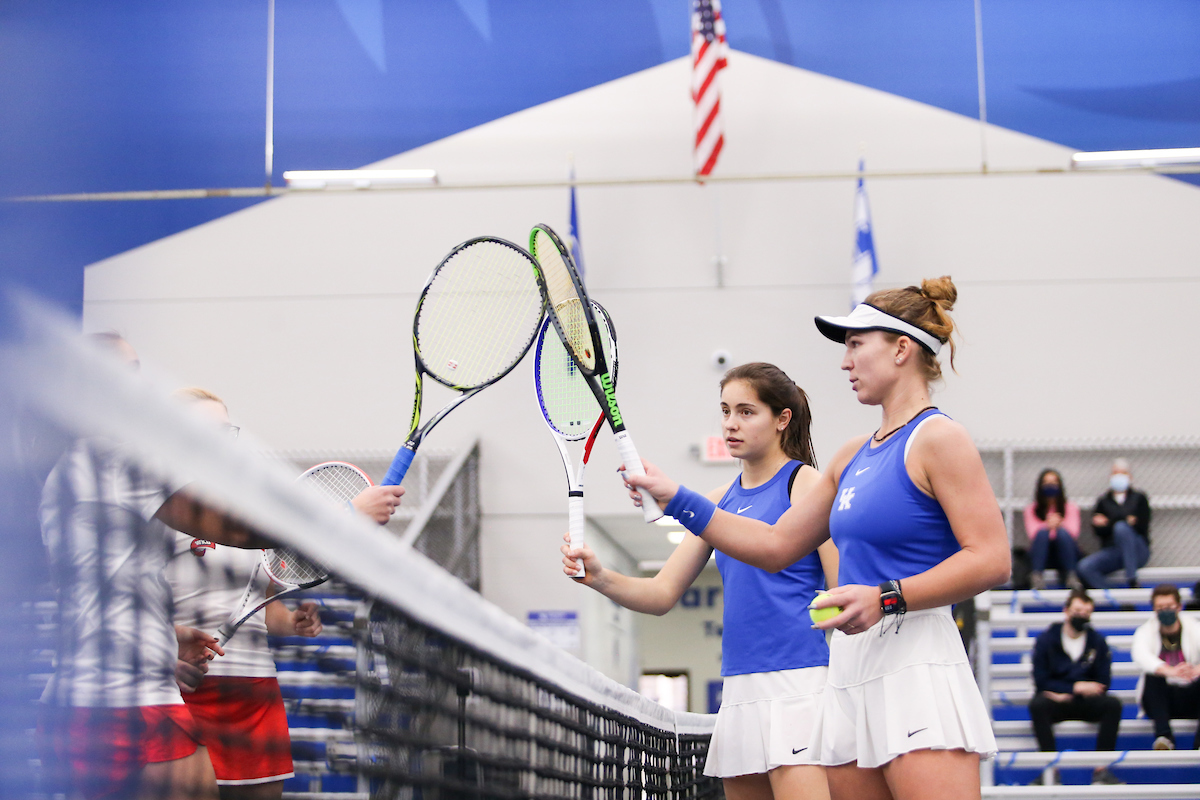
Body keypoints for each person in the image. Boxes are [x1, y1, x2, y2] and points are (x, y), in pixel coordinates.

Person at [623, 278, 1009, 800]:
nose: (845, 362)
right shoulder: (852, 455)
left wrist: (886, 597)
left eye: (855, 345)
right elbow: (776, 545)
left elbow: (991, 560)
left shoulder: (939, 438)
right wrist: (678, 498)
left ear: (901, 349)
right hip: (849, 672)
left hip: (916, 663)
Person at [563, 363, 837, 800]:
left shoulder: (806, 485)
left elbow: (844, 590)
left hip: (801, 685)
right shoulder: (719, 502)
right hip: (739, 691)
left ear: (782, 419)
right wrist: (600, 578)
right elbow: (660, 593)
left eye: (747, 412)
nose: (731, 423)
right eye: (726, 410)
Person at [36, 334, 274, 800]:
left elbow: (103, 583)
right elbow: (241, 530)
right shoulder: (117, 456)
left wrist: (171, 636)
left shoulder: (64, 470)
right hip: (130, 705)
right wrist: (345, 520)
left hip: (69, 705)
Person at [165, 388, 404, 800]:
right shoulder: (161, 508)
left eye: (228, 431)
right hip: (184, 692)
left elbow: (262, 597)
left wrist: (289, 619)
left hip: (255, 692)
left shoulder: (247, 508)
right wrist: (164, 654)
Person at [1027, 589, 1122, 785]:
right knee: (1037, 705)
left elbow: (1104, 682)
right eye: (1077, 610)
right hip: (1056, 703)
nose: (1082, 616)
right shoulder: (1046, 640)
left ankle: (1101, 770)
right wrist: (1074, 687)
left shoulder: (1098, 641)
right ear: (1066, 610)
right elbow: (1041, 680)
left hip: (1086, 702)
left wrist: (1068, 689)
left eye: (1087, 612)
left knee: (1113, 705)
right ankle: (1050, 770)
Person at [1131, 584, 1200, 751]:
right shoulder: (1145, 631)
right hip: (1161, 700)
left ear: (1179, 607)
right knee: (1153, 676)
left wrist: (1196, 671)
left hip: (1191, 695)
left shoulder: (1194, 627)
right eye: (1160, 608)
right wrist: (1170, 671)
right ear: (1154, 609)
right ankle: (1164, 737)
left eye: (1169, 607)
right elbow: (1140, 655)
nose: (1165, 612)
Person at [1077, 458, 1151, 589]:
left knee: (1121, 528)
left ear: (1130, 476)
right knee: (1084, 567)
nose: (1119, 477)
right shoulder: (1103, 501)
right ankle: (1118, 601)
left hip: (1137, 550)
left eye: (1123, 473)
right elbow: (1099, 532)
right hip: (1114, 551)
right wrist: (1124, 520)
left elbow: (1142, 526)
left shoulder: (1139, 498)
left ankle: (1131, 578)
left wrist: (1110, 522)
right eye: (1116, 473)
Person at [1023, 469, 1082, 590]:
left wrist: (1057, 526)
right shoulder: (1031, 509)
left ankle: (1071, 576)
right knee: (1042, 533)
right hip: (1042, 553)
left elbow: (1073, 533)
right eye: (1046, 483)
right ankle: (1037, 577)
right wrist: (1048, 525)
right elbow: (1033, 535)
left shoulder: (1071, 507)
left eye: (1054, 482)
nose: (1050, 486)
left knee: (1063, 534)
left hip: (1065, 552)